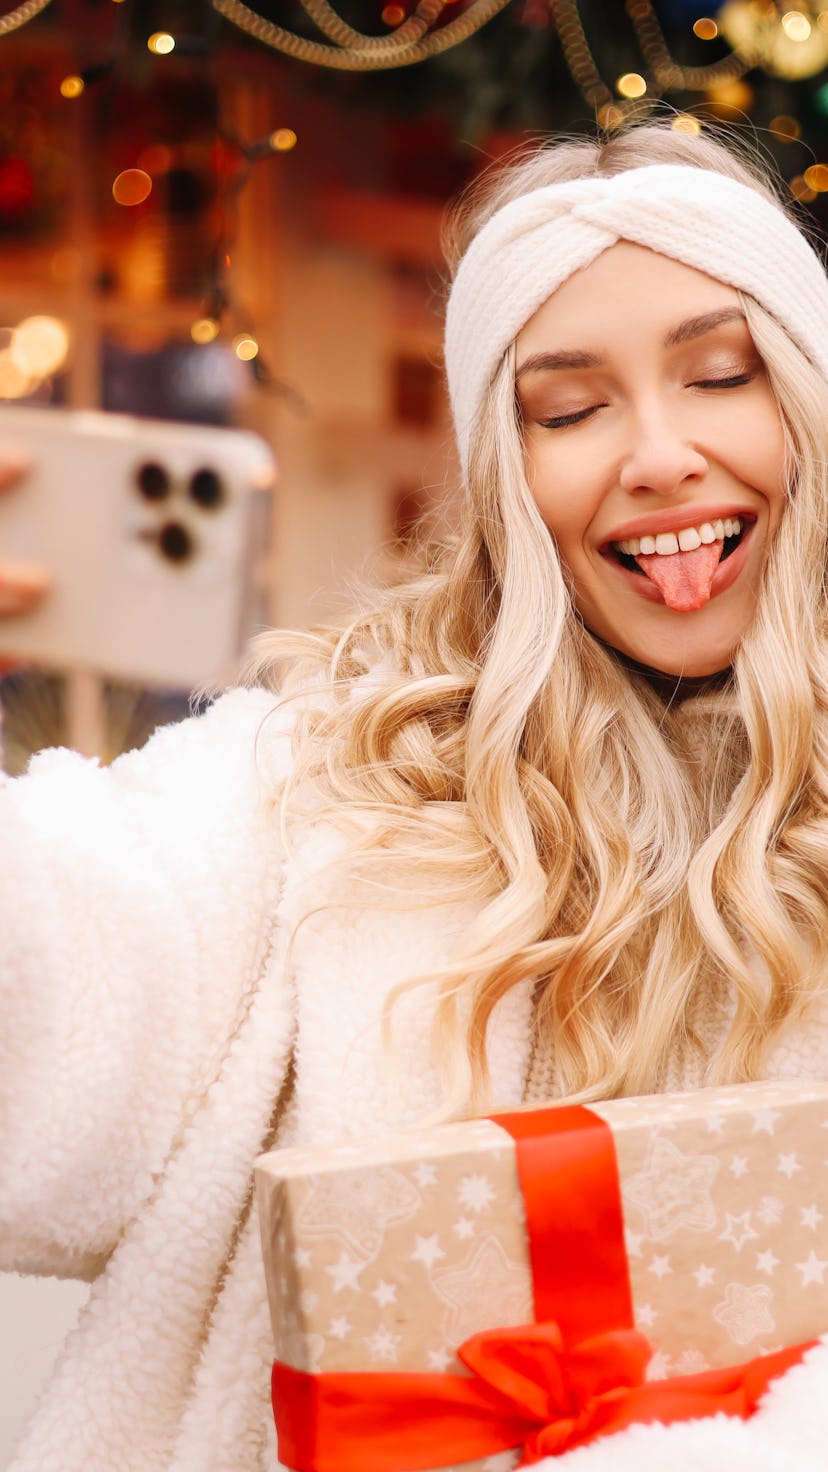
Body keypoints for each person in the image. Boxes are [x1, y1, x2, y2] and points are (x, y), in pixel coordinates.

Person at [2, 119, 828, 1472]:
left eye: (721, 376)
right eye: (569, 409)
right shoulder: (315, 799)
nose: (660, 454)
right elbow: (53, 1001)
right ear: (504, 480)